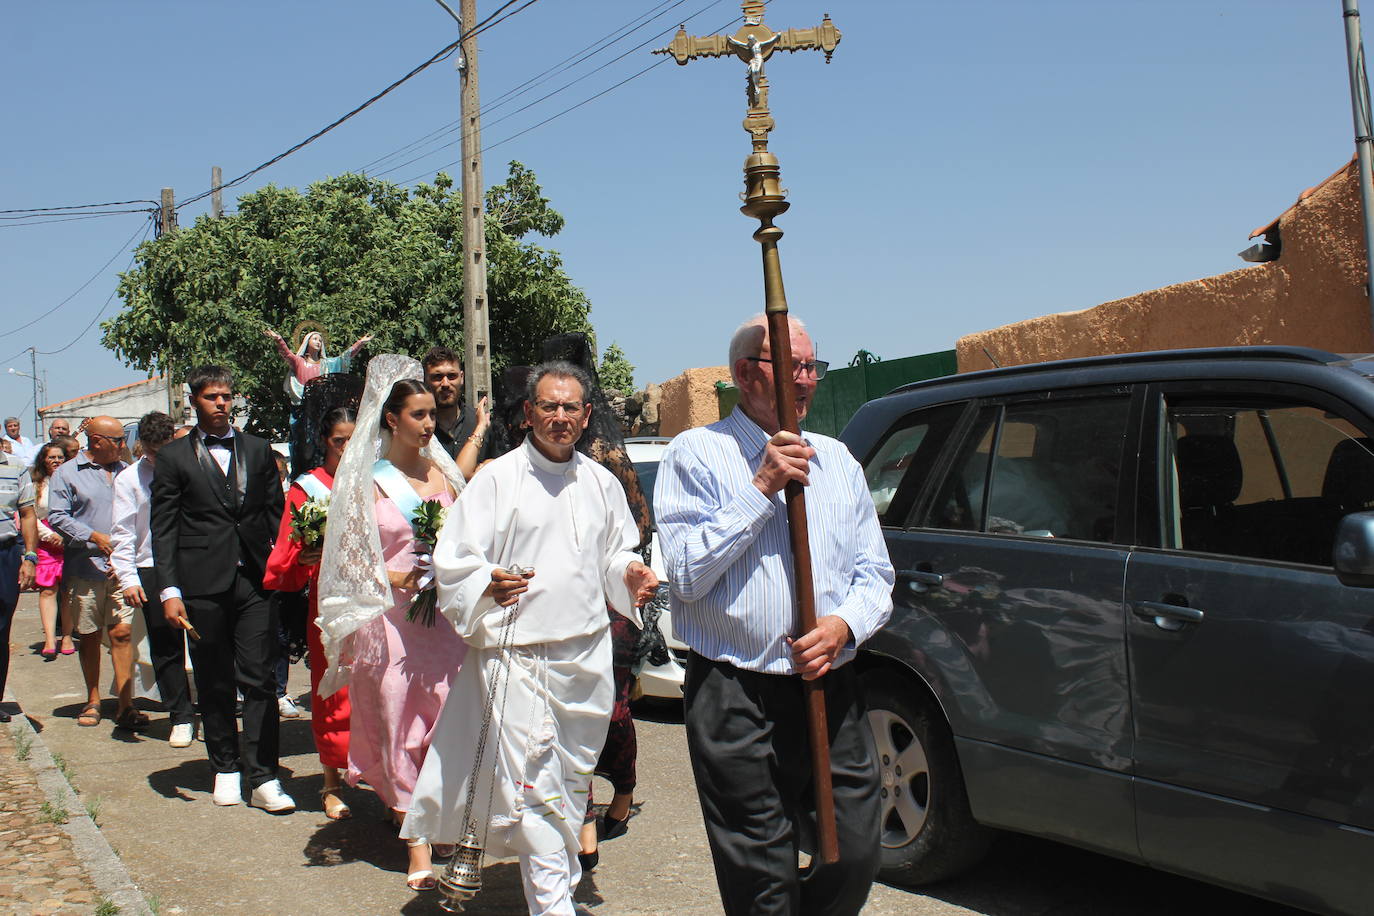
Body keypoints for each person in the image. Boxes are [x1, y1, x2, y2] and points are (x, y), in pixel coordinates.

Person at [654, 315, 895, 916]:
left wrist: (843, 627)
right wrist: (759, 489)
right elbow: (683, 577)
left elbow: (876, 577)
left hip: (828, 686)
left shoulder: (839, 462)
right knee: (762, 874)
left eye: (813, 367)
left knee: (857, 850)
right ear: (744, 374)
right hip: (736, 693)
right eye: (791, 368)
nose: (806, 381)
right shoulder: (697, 454)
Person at [404, 360, 659, 915]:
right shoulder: (497, 480)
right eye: (549, 406)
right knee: (534, 782)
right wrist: (486, 583)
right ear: (527, 413)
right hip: (515, 660)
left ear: (587, 415)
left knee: (568, 782)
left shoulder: (601, 483)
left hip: (585, 659)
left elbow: (615, 555)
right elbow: (454, 562)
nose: (560, 417)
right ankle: (552, 905)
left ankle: (560, 884)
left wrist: (630, 576)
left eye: (571, 407)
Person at [316, 356, 469, 890]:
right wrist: (395, 579)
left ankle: (439, 813)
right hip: (393, 623)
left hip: (445, 622)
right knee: (400, 722)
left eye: (432, 415)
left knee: (448, 718)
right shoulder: (365, 482)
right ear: (391, 420)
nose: (430, 425)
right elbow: (349, 557)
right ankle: (417, 844)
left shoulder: (444, 471)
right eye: (420, 416)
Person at [151, 366, 293, 813]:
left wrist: (288, 567)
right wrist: (169, 591)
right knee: (213, 680)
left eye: (228, 396)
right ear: (194, 401)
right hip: (200, 583)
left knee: (260, 678)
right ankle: (225, 767)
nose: (222, 404)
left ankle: (264, 775)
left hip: (253, 579)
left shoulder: (256, 449)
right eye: (212, 397)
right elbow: (164, 529)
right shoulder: (174, 458)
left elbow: (276, 516)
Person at [263, 407, 357, 820]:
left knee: (380, 695)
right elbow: (286, 555)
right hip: (331, 606)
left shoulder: (380, 482)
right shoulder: (308, 488)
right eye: (340, 440)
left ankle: (390, 785)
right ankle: (331, 783)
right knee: (333, 692)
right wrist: (307, 554)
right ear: (325, 441)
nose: (348, 448)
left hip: (381, 604)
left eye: (356, 440)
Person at [46, 415, 141, 730]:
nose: (122, 446)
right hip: (85, 569)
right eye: (118, 441)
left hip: (120, 570)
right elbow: (57, 516)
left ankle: (126, 704)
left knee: (122, 633)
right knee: (88, 636)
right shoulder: (68, 474)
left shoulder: (127, 472)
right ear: (97, 441)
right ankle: (94, 698)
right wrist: (92, 536)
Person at [111, 412, 196, 748]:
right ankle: (181, 716)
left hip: (194, 562)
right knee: (166, 647)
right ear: (142, 447)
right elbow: (123, 532)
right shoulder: (130, 479)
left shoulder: (191, 470)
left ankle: (216, 705)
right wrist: (128, 578)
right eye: (154, 453)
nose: (161, 459)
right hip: (152, 567)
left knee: (208, 639)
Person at [0, 452, 39, 722]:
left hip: (5, 554)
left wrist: (30, 557)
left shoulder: (15, 466)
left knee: (2, 629)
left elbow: (27, 513)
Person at [30, 442, 75, 658]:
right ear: (43, 461)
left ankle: (67, 635)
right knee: (48, 590)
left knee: (67, 591)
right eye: (52, 458)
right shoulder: (36, 485)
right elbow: (30, 516)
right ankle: (50, 637)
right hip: (47, 543)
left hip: (71, 542)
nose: (56, 461)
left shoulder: (73, 480)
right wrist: (50, 536)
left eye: (60, 457)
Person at [420, 345, 492, 477]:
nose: (445, 383)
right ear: (425, 380)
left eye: (452, 376)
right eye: (437, 377)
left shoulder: (482, 423)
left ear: (462, 377)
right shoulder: (418, 430)